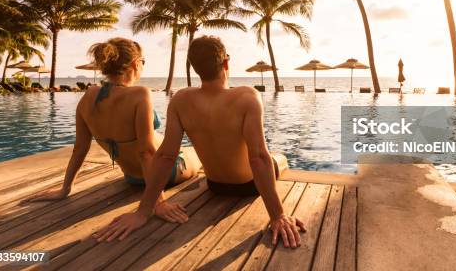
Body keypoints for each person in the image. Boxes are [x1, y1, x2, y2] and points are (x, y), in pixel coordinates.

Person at [94, 35, 306, 248]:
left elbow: (165, 156)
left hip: (215, 186)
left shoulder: (181, 99)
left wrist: (143, 212)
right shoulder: (247, 96)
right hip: (248, 187)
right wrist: (278, 215)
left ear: (195, 68)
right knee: (279, 157)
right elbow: (259, 158)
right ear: (226, 63)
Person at [23, 37, 198, 224]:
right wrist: (159, 202)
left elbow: (80, 149)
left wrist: (65, 189)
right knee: (196, 152)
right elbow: (146, 152)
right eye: (143, 62)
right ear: (135, 63)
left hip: (132, 177)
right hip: (162, 175)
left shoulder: (88, 96)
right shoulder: (140, 94)